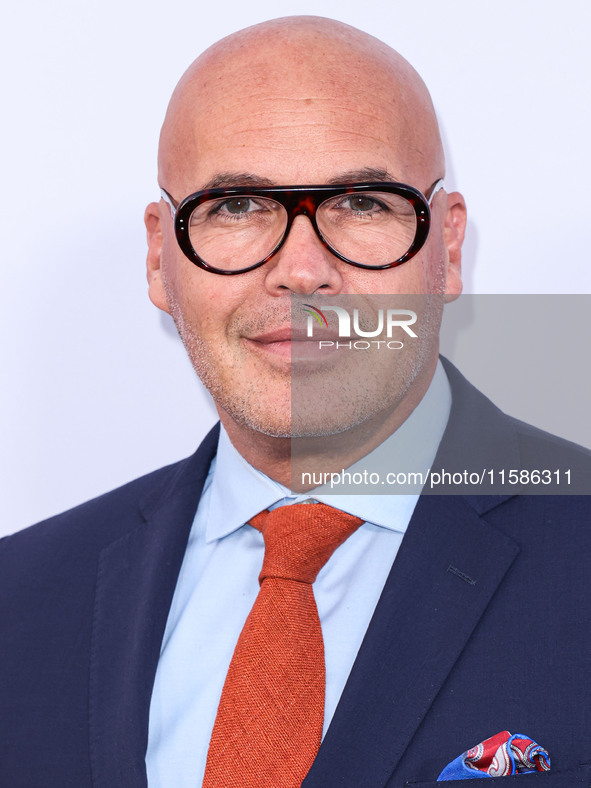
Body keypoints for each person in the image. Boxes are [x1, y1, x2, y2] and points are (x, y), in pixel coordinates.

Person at [1, 15, 590, 788]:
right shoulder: (21, 599)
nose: (301, 271)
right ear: (158, 258)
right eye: (237, 208)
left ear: (446, 248)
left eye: (362, 203)